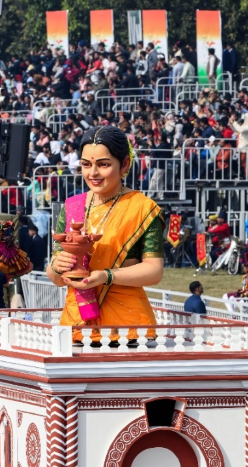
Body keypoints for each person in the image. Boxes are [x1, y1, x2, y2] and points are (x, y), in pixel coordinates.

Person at [46, 126, 164, 344]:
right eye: (86, 164)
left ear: (125, 164)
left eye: (103, 165)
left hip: (128, 328)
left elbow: (154, 271)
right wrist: (56, 266)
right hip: (76, 324)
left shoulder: (143, 208)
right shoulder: (73, 207)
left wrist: (106, 276)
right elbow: (56, 278)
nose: (93, 174)